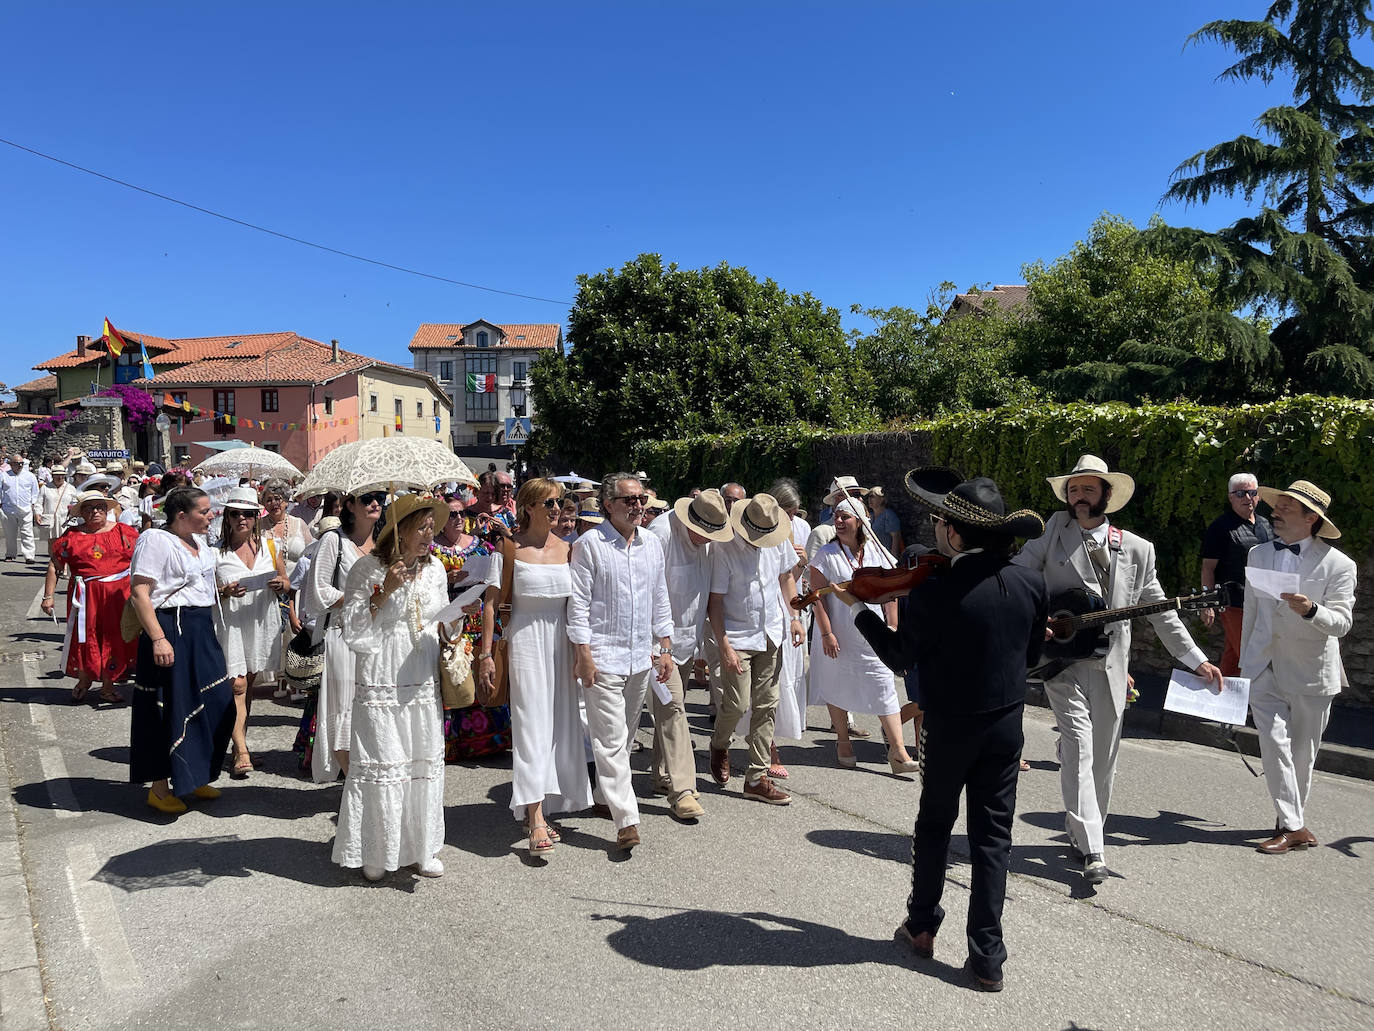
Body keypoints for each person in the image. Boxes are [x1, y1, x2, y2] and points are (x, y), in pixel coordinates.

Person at [855, 469, 1048, 993]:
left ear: (958, 534)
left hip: (949, 727)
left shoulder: (938, 589)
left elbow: (899, 657)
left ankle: (921, 926)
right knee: (993, 841)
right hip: (1007, 726)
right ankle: (987, 958)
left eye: (941, 521)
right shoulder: (1031, 582)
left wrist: (858, 610)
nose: (937, 528)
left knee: (935, 825)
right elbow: (1032, 657)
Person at [1012, 455, 1222, 885]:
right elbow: (1016, 578)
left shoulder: (1138, 550)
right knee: (1078, 746)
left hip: (1110, 666)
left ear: (1107, 495)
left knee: (1102, 760)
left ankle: (1080, 831)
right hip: (1061, 663)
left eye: (1089, 489)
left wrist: (1195, 658)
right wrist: (1038, 621)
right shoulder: (1052, 532)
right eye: (1073, 489)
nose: (1079, 497)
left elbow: (1162, 613)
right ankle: (1094, 848)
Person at [333, 493, 450, 881]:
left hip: (421, 672)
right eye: (422, 528)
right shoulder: (366, 568)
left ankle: (422, 847)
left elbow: (442, 618)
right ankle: (377, 850)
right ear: (399, 532)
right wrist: (383, 590)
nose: (429, 534)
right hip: (382, 671)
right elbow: (354, 632)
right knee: (384, 761)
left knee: (420, 757)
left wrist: (455, 621)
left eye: (432, 527)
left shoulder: (436, 569)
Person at [1241, 480, 1356, 855]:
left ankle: (1288, 822)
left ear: (1312, 519)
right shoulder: (1258, 554)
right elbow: (1253, 615)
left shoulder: (1339, 564)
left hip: (1311, 670)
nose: (1277, 511)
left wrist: (1311, 610)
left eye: (1288, 507)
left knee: (1303, 756)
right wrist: (1244, 665)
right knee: (1273, 742)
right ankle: (1294, 826)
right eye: (1279, 505)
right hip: (1263, 665)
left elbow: (1341, 623)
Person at [477, 478, 591, 855]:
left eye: (559, 502)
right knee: (530, 726)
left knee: (559, 726)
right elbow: (491, 605)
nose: (556, 509)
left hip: (560, 642)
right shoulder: (508, 549)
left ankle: (539, 806)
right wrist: (485, 654)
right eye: (548, 503)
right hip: (524, 640)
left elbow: (578, 607)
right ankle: (536, 815)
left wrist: (581, 651)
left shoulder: (570, 550)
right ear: (528, 507)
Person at [567, 473, 674, 850]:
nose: (637, 505)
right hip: (603, 657)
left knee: (625, 738)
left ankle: (601, 796)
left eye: (641, 498)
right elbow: (577, 606)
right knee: (611, 739)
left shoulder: (653, 545)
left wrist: (665, 646)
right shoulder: (589, 545)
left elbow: (659, 596)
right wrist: (583, 654)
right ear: (608, 505)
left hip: (640, 658)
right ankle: (626, 819)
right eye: (629, 500)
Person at [127, 487, 234, 814]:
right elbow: (140, 593)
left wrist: (225, 591)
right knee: (166, 706)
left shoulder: (200, 543)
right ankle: (159, 789)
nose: (211, 515)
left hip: (200, 628)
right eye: (204, 511)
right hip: (170, 627)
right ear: (181, 515)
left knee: (217, 701)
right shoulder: (155, 540)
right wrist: (158, 638)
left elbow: (198, 586)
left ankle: (194, 774)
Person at [707, 493, 805, 805]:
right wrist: (724, 645)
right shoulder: (724, 550)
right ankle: (719, 744)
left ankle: (756, 777)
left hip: (771, 633)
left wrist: (795, 616)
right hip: (738, 636)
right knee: (736, 704)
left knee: (767, 704)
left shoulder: (776, 540)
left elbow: (786, 577)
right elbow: (716, 603)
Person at [807, 498, 918, 773]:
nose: (839, 521)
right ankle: (843, 742)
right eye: (836, 516)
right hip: (840, 633)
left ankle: (898, 752)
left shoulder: (877, 552)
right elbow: (817, 599)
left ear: (860, 521)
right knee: (837, 684)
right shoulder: (826, 555)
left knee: (884, 687)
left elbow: (890, 593)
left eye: (845, 516)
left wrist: (892, 626)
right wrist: (826, 633)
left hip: (874, 632)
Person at [645, 490, 734, 819]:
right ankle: (684, 791)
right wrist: (660, 647)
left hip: (685, 643)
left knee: (668, 712)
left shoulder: (709, 542)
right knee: (673, 710)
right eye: (706, 532)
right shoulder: (661, 534)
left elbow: (706, 596)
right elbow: (648, 593)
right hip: (657, 644)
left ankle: (659, 774)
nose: (710, 539)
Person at [303, 489, 384, 781]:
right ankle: (352, 778)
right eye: (367, 498)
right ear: (350, 504)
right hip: (343, 634)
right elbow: (319, 590)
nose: (376, 503)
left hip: (379, 637)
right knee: (344, 711)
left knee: (374, 707)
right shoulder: (333, 540)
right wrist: (360, 599)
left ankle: (368, 773)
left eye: (380, 498)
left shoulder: (386, 543)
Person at [213, 486, 288, 778]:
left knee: (250, 686)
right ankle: (242, 751)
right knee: (237, 686)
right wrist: (226, 590)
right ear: (228, 517)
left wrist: (281, 584)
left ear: (257, 517)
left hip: (260, 622)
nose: (241, 519)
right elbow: (207, 591)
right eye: (235, 514)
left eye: (248, 514)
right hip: (231, 624)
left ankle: (237, 744)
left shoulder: (270, 547)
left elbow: (286, 580)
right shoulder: (216, 552)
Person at [41, 492, 140, 703]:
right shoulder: (72, 537)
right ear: (81, 513)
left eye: (100, 507)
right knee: (84, 636)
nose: (95, 511)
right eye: (89, 508)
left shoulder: (125, 532)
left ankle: (107, 686)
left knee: (114, 638)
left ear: (107, 510)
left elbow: (145, 560)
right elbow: (55, 565)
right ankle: (84, 678)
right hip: (85, 596)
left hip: (118, 597)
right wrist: (48, 596)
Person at [432, 495, 508, 762]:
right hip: (451, 620)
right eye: (452, 515)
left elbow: (495, 579)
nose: (459, 519)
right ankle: (452, 743)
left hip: (477, 617)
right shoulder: (432, 551)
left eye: (462, 513)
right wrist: (447, 578)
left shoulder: (481, 547)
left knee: (479, 674)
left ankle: (489, 741)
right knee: (453, 675)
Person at [1200, 473, 1273, 676]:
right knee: (1250, 654)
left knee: (1234, 652)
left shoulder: (1266, 525)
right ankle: (1257, 701)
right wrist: (1208, 603)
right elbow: (1208, 567)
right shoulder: (1220, 528)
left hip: (1263, 599)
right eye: (1240, 493)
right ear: (1231, 497)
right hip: (1233, 602)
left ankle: (1223, 698)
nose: (1247, 498)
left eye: (1252, 493)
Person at [765, 478, 811, 777]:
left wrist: (801, 563)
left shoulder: (801, 529)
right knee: (767, 683)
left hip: (788, 609)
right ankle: (767, 748)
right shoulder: (763, 532)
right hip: (765, 611)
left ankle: (769, 742)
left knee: (784, 678)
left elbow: (789, 578)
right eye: (789, 512)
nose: (794, 519)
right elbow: (773, 576)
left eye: (796, 512)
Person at [0, 453, 40, 563]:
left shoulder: (30, 476)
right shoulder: (4, 475)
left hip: (25, 508)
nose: (20, 465)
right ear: (11, 464)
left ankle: (29, 556)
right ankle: (10, 554)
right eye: (17, 463)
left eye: (22, 463)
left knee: (27, 533)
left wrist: (33, 503)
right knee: (10, 534)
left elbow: (35, 491)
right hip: (8, 509)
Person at [37, 468, 76, 554]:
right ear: (52, 476)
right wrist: (37, 514)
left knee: (65, 543)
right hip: (50, 520)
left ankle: (64, 565)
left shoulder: (71, 488)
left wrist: (72, 514)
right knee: (52, 543)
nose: (59, 477)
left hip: (65, 520)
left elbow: (74, 504)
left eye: (62, 475)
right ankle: (53, 562)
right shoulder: (45, 488)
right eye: (57, 475)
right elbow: (39, 503)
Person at [867, 485, 905, 555]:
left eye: (872, 497)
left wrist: (894, 557)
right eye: (869, 497)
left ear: (882, 499)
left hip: (886, 556)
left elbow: (896, 537)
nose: (869, 499)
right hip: (872, 555)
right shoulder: (870, 515)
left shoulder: (888, 515)